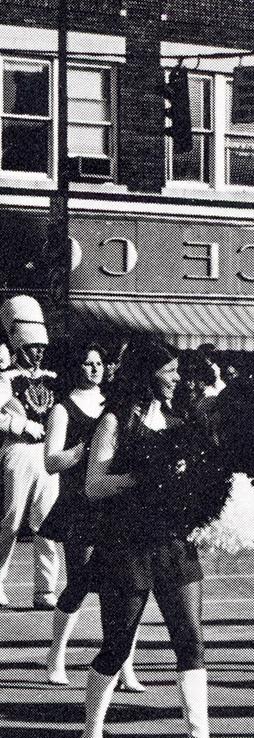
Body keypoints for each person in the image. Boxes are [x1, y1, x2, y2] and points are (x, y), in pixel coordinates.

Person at [79, 338, 219, 738]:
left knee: (191, 644)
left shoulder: (184, 418)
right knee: (117, 647)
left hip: (176, 544)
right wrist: (139, 477)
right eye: (170, 371)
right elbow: (93, 485)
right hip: (128, 544)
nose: (177, 378)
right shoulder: (116, 421)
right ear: (147, 374)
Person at [39, 343, 144, 691]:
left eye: (99, 362)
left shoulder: (115, 408)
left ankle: (122, 663)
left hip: (115, 507)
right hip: (79, 507)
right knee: (81, 583)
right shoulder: (62, 409)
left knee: (122, 589)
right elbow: (51, 462)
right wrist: (83, 450)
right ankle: (57, 656)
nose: (94, 368)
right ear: (75, 366)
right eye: (86, 363)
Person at [0, 295, 60, 609]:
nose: (37, 352)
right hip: (18, 450)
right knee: (10, 519)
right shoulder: (5, 379)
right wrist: (20, 426)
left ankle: (45, 589)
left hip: (47, 453)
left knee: (47, 520)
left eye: (41, 348)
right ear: (19, 348)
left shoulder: (52, 379)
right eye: (31, 347)